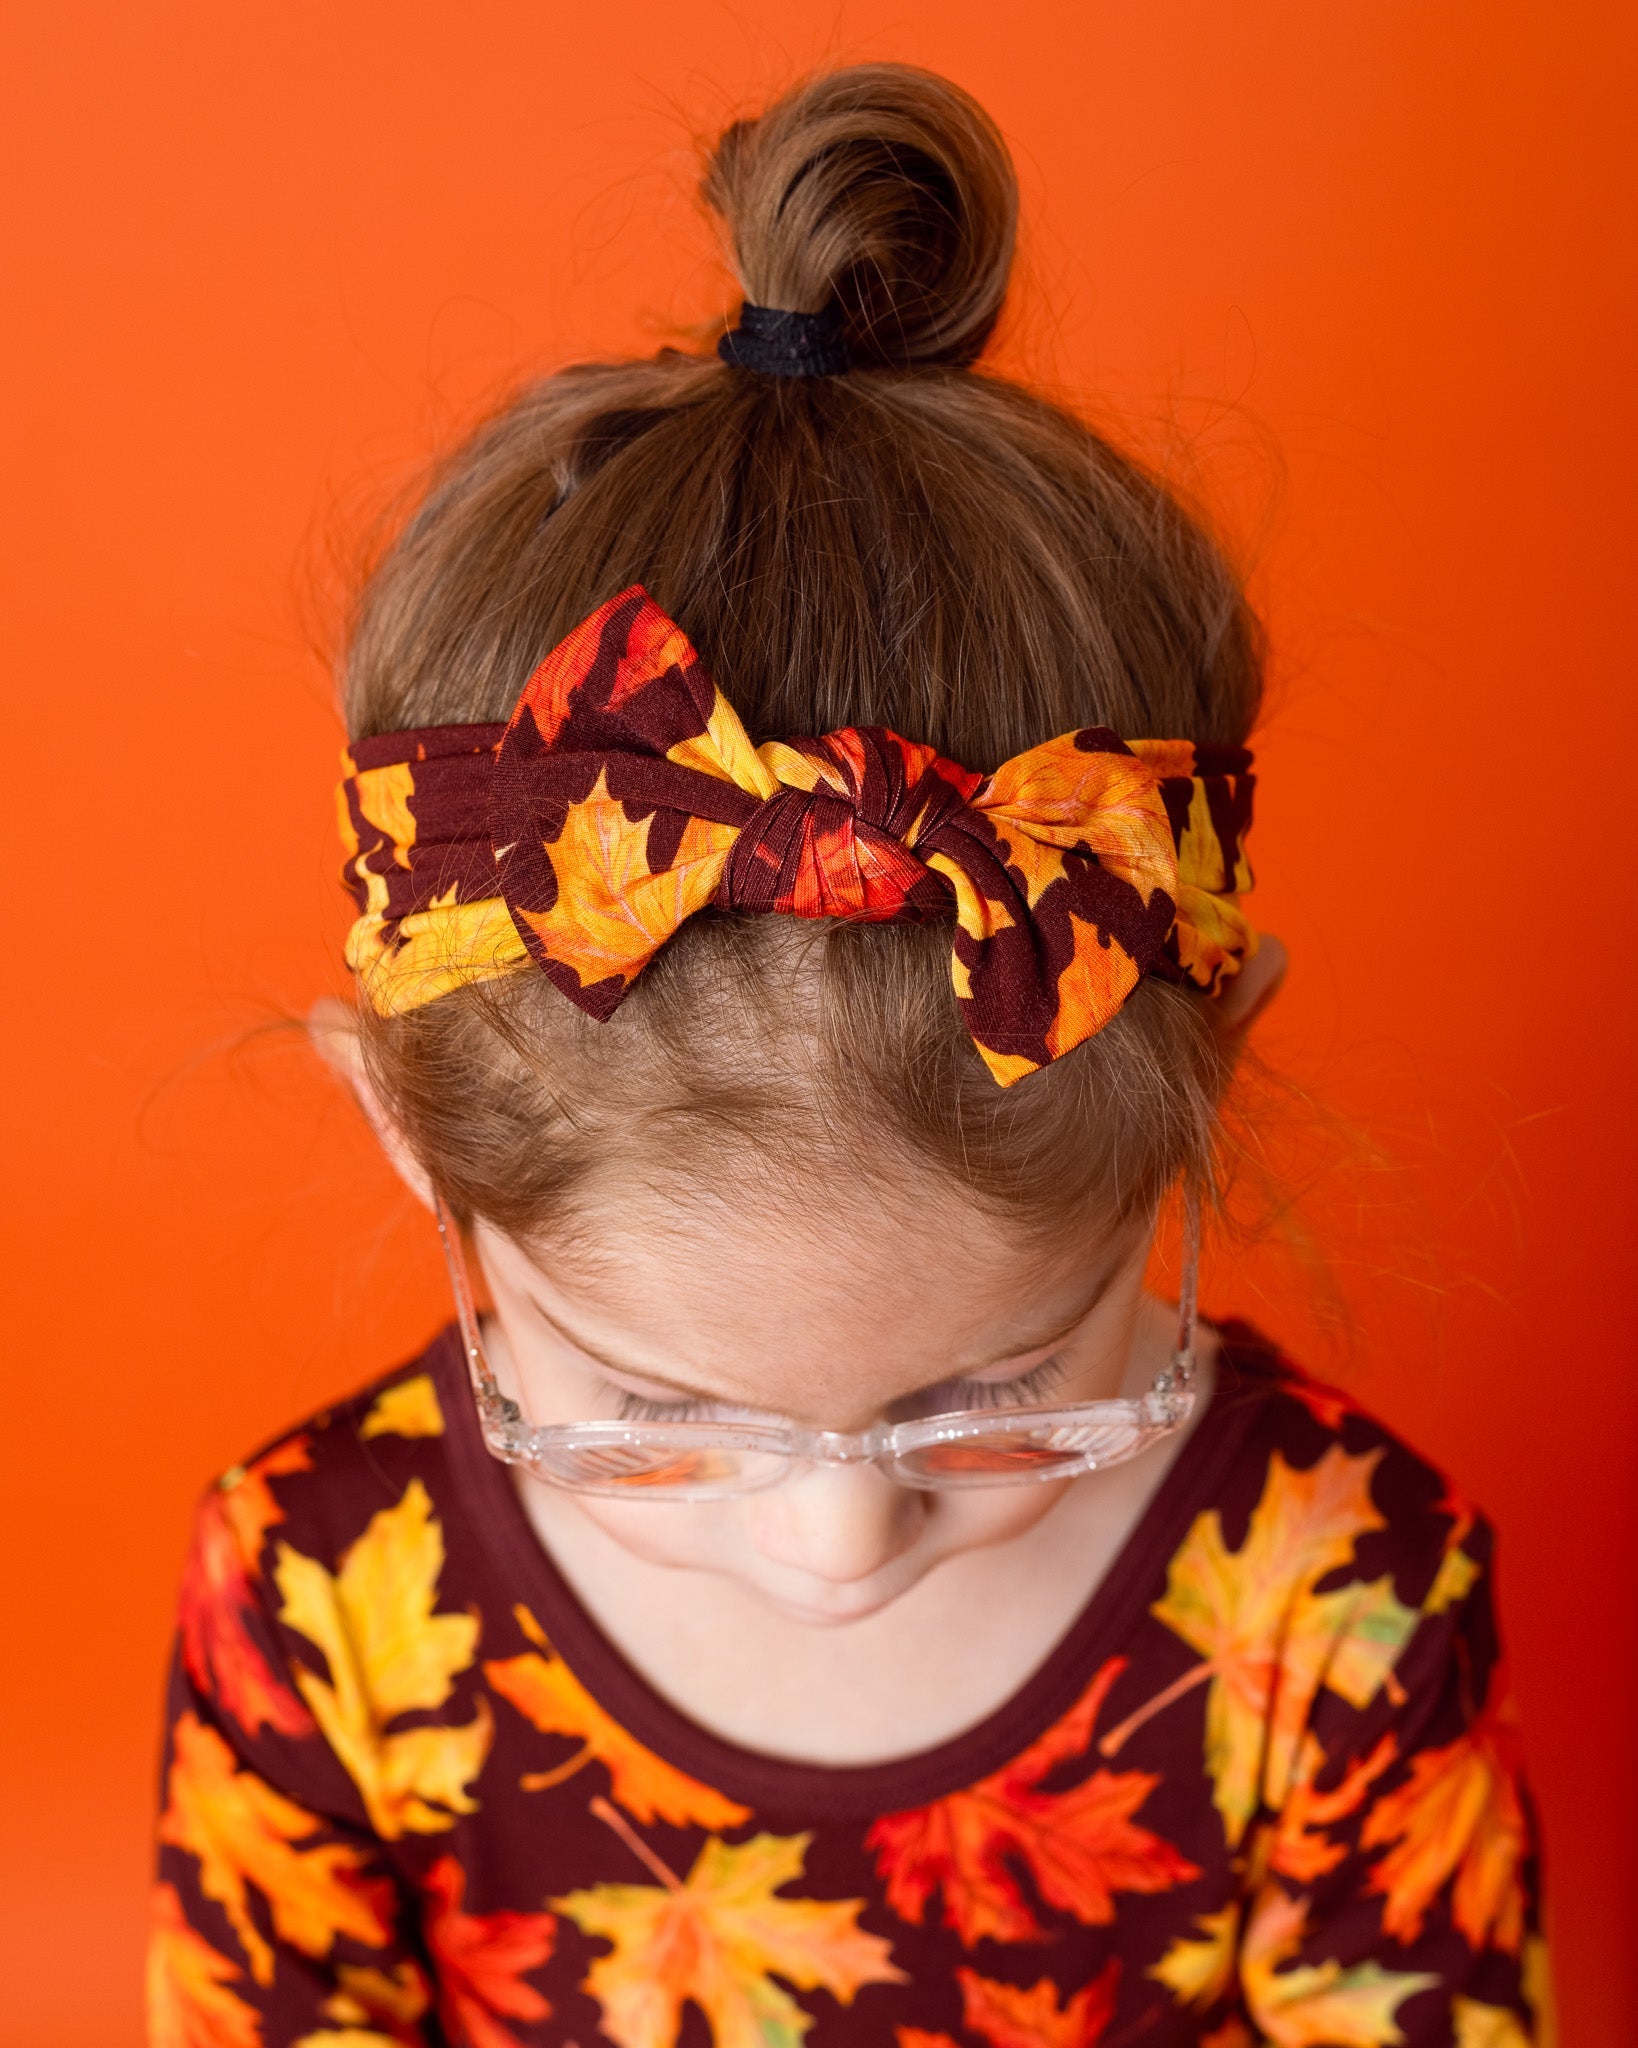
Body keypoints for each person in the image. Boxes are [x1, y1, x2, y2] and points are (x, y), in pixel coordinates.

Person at [148, 62, 1550, 2048]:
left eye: (995, 1387)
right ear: (406, 1132)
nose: (837, 1538)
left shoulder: (1338, 1604)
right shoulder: (319, 1594)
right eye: (649, 1411)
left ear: (1211, 1070)